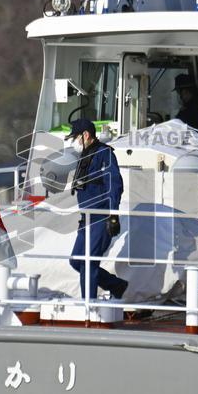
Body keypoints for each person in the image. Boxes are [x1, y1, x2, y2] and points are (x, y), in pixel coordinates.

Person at [66, 118, 128, 300]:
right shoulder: (86, 155)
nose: (75, 142)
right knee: (76, 261)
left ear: (85, 135)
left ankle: (89, 306)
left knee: (88, 263)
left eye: (76, 137)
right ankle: (116, 285)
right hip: (86, 219)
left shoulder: (105, 154)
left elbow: (115, 186)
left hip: (100, 218)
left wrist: (113, 215)